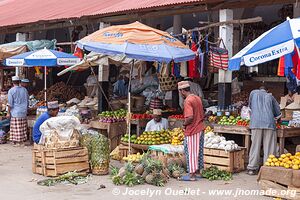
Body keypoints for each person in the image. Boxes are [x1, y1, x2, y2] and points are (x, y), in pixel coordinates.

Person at [247, 86, 281, 175]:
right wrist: (277, 118)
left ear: (259, 89)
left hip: (255, 123)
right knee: (269, 146)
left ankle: (252, 168)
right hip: (269, 123)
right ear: (267, 90)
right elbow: (278, 113)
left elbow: (250, 107)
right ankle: (267, 168)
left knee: (255, 145)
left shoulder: (253, 93)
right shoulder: (270, 96)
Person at [178, 81, 205, 181]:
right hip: (200, 127)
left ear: (182, 91)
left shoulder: (188, 101)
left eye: (180, 91)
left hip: (193, 129)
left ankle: (192, 175)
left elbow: (189, 117)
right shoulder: (197, 97)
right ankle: (198, 172)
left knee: (191, 151)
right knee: (199, 151)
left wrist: (184, 124)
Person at [7, 76, 29, 146]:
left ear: (12, 82)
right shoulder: (24, 90)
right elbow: (27, 101)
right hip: (23, 111)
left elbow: (10, 103)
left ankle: (18, 142)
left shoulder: (11, 91)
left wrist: (8, 112)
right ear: (19, 82)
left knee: (16, 128)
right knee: (22, 128)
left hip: (16, 112)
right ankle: (22, 141)